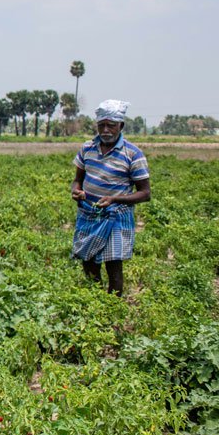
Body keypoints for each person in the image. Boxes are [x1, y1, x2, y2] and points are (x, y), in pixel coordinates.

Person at [70, 99, 150, 296]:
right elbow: (77, 180)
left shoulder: (133, 154)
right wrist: (76, 191)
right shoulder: (87, 148)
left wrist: (115, 199)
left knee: (113, 265)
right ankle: (95, 301)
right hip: (89, 213)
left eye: (111, 125)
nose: (105, 130)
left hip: (116, 216)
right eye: (101, 125)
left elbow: (145, 193)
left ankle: (113, 308)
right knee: (88, 263)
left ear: (120, 126)